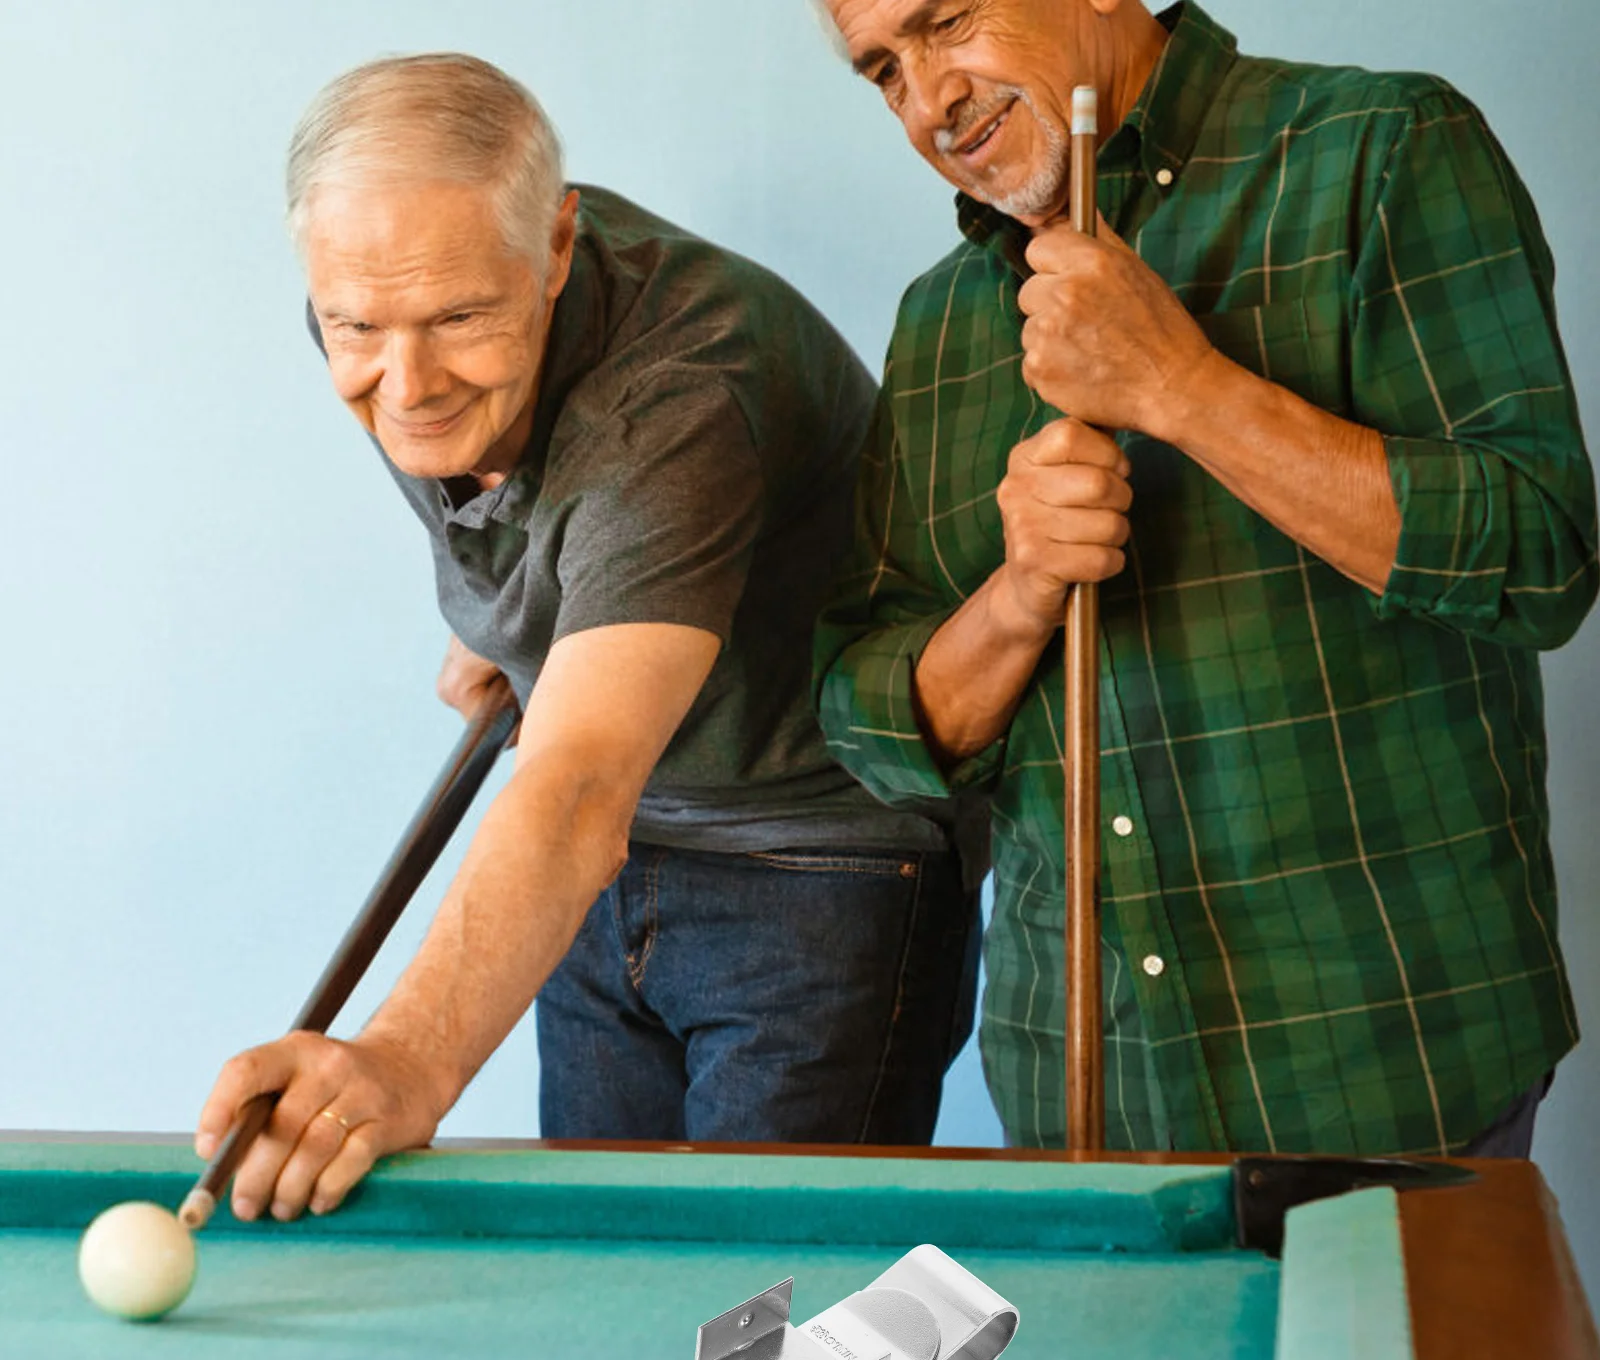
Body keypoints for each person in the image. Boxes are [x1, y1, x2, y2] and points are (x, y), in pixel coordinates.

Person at [195, 53, 979, 1221]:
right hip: (597, 881)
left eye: (458, 317)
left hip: (815, 867)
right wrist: (531, 620)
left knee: (765, 1331)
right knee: (605, 1285)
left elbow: (574, 786)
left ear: (558, 248)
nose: (404, 381)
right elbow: (475, 461)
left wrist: (403, 1061)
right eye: (357, 323)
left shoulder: (680, 391)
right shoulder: (389, 304)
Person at [814, 0, 1597, 1155]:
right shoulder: (939, 320)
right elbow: (870, 718)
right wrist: (1019, 593)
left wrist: (1185, 390)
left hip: (1387, 1068)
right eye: (883, 69)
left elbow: (1542, 558)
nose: (929, 100)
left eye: (948, 22)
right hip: (1077, 1091)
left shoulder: (1376, 148)